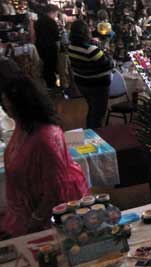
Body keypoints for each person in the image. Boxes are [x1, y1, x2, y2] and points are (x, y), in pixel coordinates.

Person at [0, 77, 88, 237]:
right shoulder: (23, 126)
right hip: (29, 208)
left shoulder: (46, 137)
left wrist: (36, 218)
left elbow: (55, 188)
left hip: (48, 213)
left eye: (7, 103)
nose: (5, 107)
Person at [68, 20, 114, 128]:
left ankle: (89, 131)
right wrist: (104, 51)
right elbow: (109, 64)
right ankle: (97, 136)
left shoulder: (71, 47)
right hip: (98, 84)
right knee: (99, 113)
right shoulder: (91, 50)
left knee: (92, 108)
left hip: (82, 83)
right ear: (85, 32)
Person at [34, 4, 61, 89]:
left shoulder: (38, 20)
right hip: (50, 46)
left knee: (46, 65)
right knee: (51, 65)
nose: (56, 15)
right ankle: (52, 85)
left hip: (40, 45)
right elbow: (56, 36)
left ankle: (49, 84)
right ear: (52, 12)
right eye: (56, 13)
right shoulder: (51, 21)